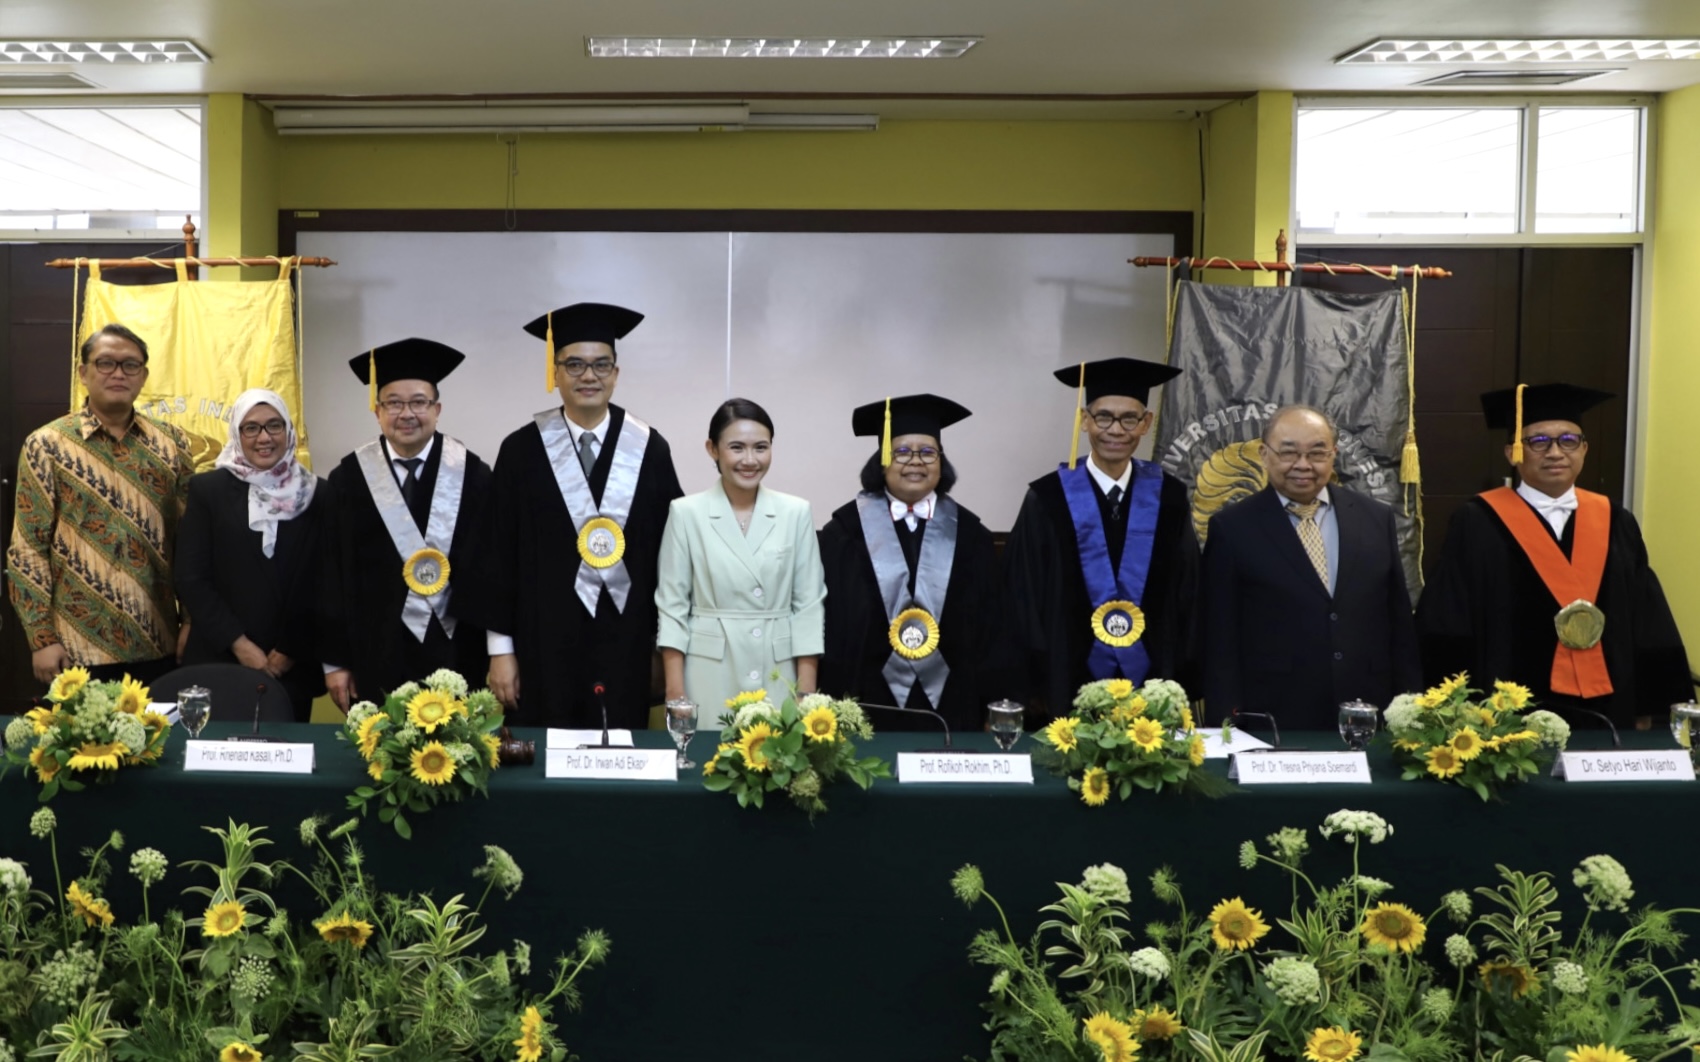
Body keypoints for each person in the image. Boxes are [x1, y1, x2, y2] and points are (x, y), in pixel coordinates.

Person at [1416, 383, 1692, 727]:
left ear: (1584, 449)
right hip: (1507, 714)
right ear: (1512, 452)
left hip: (1607, 706)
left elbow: (1647, 617)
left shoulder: (1615, 519)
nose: (1555, 452)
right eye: (1539, 441)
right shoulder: (1477, 521)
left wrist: (1650, 706)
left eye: (1568, 440)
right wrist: (1453, 707)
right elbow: (1449, 618)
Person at [461, 302, 683, 728]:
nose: (589, 376)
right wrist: (500, 651)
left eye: (601, 365)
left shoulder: (649, 449)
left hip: (627, 641)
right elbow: (496, 555)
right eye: (575, 364)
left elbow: (670, 559)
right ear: (556, 373)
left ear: (616, 373)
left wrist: (663, 648)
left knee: (621, 752)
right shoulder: (521, 451)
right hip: (541, 644)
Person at [1201, 404, 1421, 731]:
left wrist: (1411, 707)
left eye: (1317, 453)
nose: (1303, 465)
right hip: (1275, 717)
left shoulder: (1375, 518)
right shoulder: (1232, 528)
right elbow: (1219, 639)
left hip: (1367, 710)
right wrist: (1225, 726)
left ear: (1333, 455)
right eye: (1289, 452)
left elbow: (1398, 623)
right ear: (1264, 454)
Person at [1003, 358, 1199, 719]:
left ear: (1146, 423)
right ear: (1085, 420)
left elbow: (1187, 589)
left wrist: (1183, 672)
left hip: (1152, 678)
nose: (1116, 430)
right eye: (1104, 417)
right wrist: (1031, 682)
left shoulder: (1169, 498)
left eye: (1129, 419)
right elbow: (1023, 595)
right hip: (1063, 677)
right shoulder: (1047, 498)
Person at [818, 394, 1022, 733]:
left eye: (928, 452)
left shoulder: (971, 536)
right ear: (882, 461)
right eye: (901, 451)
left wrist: (995, 702)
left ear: (941, 462)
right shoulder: (844, 534)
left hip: (953, 703)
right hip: (865, 701)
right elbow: (831, 625)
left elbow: (993, 630)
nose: (916, 462)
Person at [8, 323, 194, 687]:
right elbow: (28, 549)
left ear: (144, 376)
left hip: (158, 643)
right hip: (76, 648)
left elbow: (190, 542)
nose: (118, 373)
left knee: (159, 728)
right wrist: (42, 638)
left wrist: (191, 621)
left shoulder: (172, 444)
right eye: (106, 363)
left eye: (130, 365)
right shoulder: (47, 445)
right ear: (83, 373)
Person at [318, 339, 492, 708]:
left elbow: (491, 573)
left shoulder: (474, 476)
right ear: (377, 411)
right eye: (394, 403)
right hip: (374, 652)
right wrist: (335, 661)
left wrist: (497, 653)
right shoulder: (348, 479)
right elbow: (331, 574)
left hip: (458, 652)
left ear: (437, 409)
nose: (406, 414)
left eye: (419, 402)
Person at [655, 399, 826, 708]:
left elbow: (808, 608)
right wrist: (675, 693)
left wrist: (806, 693)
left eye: (761, 448)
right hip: (707, 674)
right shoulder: (686, 513)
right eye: (737, 448)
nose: (750, 460)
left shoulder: (795, 512)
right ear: (712, 449)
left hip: (779, 673)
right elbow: (672, 608)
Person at [173, 389, 324, 720]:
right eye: (251, 428)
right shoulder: (208, 490)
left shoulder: (318, 493)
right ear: (236, 434)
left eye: (274, 425)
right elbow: (191, 576)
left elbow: (324, 581)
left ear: (289, 430)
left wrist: (289, 650)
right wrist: (239, 644)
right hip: (220, 655)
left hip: (292, 665)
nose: (264, 437)